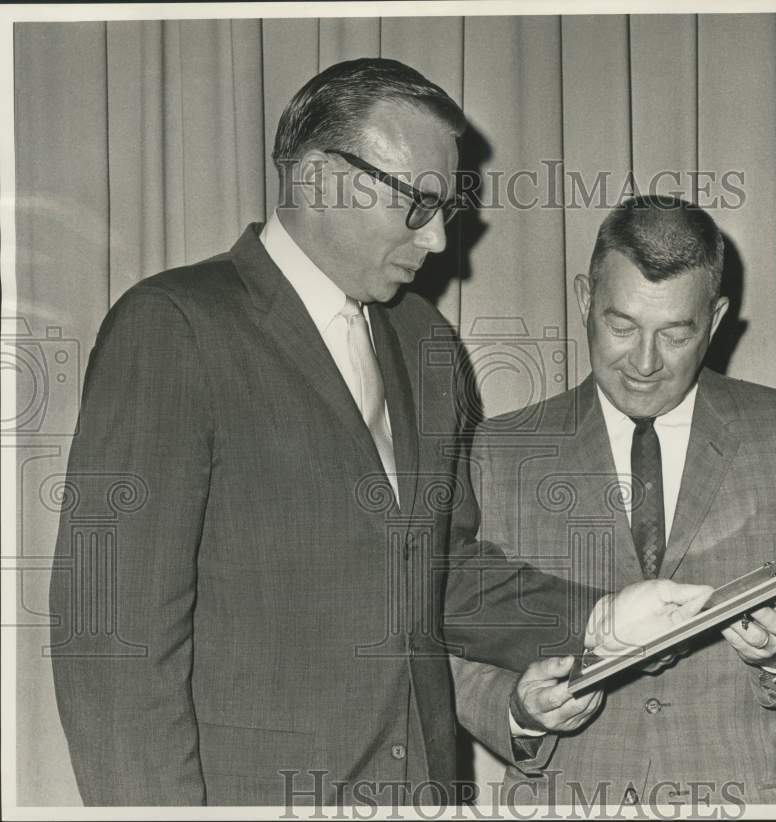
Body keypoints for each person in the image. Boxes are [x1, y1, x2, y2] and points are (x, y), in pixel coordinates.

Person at [47, 61, 710, 807]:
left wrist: (604, 617)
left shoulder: (425, 341)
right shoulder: (175, 328)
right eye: (417, 205)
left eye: (447, 207)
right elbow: (111, 643)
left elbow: (440, 573)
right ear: (319, 177)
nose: (437, 243)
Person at [452, 195, 776, 806]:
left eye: (676, 334)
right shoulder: (497, 450)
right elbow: (453, 637)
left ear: (714, 321)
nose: (642, 362)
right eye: (620, 325)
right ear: (585, 299)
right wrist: (519, 710)